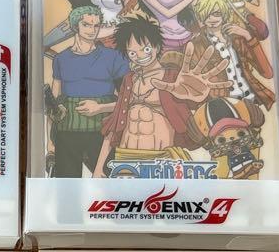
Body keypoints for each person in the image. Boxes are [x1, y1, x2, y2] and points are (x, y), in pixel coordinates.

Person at [93, 17, 227, 176]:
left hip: (162, 161)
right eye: (132, 52)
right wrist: (99, 167)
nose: (140, 55)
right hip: (125, 157)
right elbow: (114, 125)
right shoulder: (129, 80)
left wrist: (201, 97)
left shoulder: (173, 78)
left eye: (145, 49)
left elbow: (199, 111)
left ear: (156, 47)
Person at [48, 6, 130, 177]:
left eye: (96, 25)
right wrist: (51, 143)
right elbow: (53, 105)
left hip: (102, 134)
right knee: (66, 184)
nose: (92, 30)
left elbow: (128, 100)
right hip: (67, 133)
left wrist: (100, 108)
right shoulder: (61, 59)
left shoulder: (114, 57)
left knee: (108, 183)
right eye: (86, 24)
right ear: (75, 26)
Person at [185, 0, 274, 129]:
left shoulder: (237, 38)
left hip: (251, 100)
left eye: (216, 13)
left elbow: (267, 73)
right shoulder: (197, 45)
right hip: (224, 106)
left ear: (224, 13)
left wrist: (248, 36)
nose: (212, 19)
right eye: (206, 15)